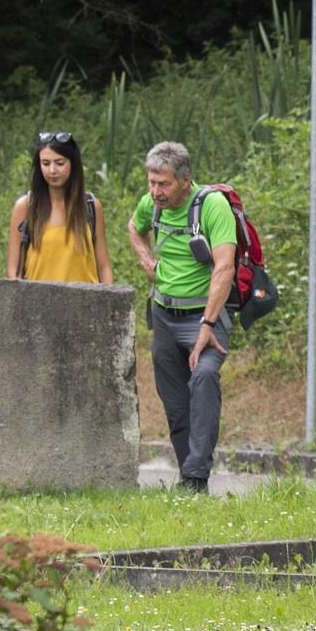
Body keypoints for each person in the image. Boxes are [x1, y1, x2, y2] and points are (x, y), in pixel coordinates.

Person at [125, 141, 235, 494]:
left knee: (203, 379)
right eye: (152, 183)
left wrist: (207, 324)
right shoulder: (150, 204)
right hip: (164, 317)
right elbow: (134, 227)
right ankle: (191, 482)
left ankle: (196, 474)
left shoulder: (212, 206)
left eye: (165, 184)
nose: (156, 192)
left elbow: (225, 267)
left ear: (186, 180)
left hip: (206, 315)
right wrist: (146, 259)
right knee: (174, 402)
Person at [5, 130, 114, 285]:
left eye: (60, 163)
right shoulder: (25, 206)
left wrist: (109, 300)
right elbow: (13, 270)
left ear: (73, 164)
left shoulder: (90, 206)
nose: (52, 171)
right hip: (37, 303)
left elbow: (103, 267)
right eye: (46, 163)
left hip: (85, 303)